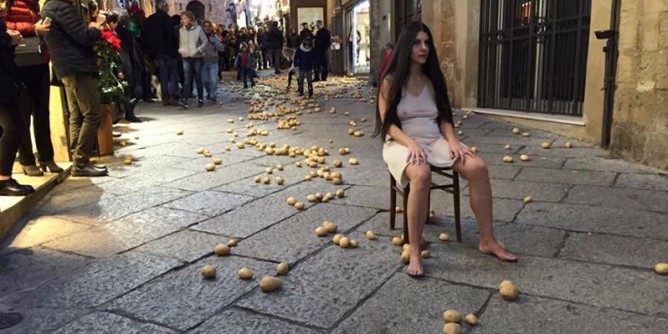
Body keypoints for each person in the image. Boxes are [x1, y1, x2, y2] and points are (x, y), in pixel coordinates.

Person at [374, 22, 516, 277]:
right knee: (421, 173)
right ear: (406, 46)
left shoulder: (433, 80)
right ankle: (415, 250)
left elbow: (444, 119)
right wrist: (411, 143)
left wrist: (453, 142)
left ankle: (487, 240)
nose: (423, 47)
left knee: (477, 167)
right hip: (400, 142)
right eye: (417, 42)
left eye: (427, 42)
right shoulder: (390, 82)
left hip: (435, 139)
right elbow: (388, 125)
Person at [40, 0, 108, 177]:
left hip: (67, 68)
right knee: (92, 114)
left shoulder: (50, 7)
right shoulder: (60, 7)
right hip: (77, 67)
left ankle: (78, 159)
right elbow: (83, 36)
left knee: (77, 115)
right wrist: (96, 26)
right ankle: (80, 162)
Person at [3, 0, 63, 176]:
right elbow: (6, 27)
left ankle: (47, 157)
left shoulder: (33, 4)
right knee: (23, 113)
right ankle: (27, 160)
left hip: (39, 60)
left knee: (42, 112)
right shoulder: (7, 4)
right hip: (19, 63)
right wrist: (33, 29)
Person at [0, 2, 35, 195]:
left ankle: (4, 178)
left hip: (6, 76)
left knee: (13, 126)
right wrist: (7, 38)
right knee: (14, 126)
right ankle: (3, 180)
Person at [143, 0, 180, 106]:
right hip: (169, 51)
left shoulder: (151, 19)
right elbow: (170, 35)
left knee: (163, 74)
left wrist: (150, 51)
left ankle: (165, 97)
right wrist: (174, 48)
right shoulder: (167, 19)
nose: (168, 8)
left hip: (158, 52)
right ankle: (173, 96)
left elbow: (146, 35)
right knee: (173, 74)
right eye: (167, 7)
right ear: (163, 7)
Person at [177, 10, 206, 108]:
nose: (183, 20)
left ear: (190, 19)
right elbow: (181, 43)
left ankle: (201, 99)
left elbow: (205, 42)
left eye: (185, 18)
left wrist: (198, 50)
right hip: (186, 57)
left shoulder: (198, 29)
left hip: (197, 57)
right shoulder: (181, 30)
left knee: (198, 78)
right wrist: (181, 50)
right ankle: (185, 100)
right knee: (187, 79)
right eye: (182, 19)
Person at [200, 20, 224, 103]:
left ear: (211, 28)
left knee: (213, 80)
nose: (207, 28)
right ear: (203, 27)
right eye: (205, 26)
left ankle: (213, 95)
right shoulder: (200, 37)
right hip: (203, 62)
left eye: (208, 26)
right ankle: (209, 92)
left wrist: (214, 43)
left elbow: (222, 48)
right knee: (205, 80)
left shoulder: (214, 36)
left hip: (213, 61)